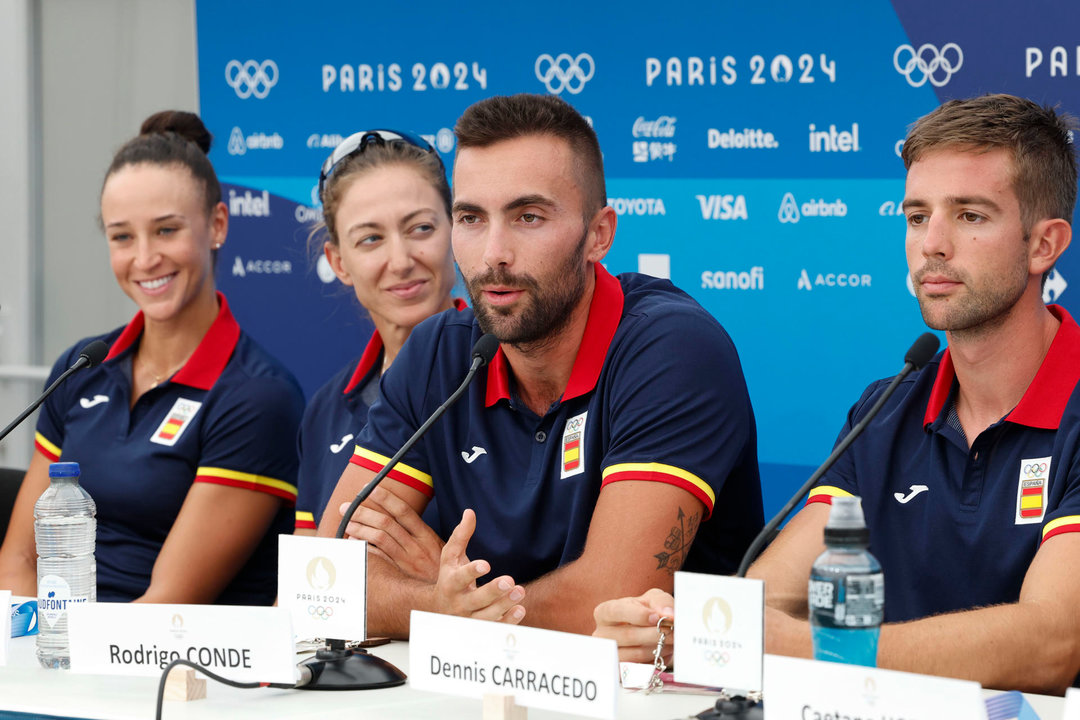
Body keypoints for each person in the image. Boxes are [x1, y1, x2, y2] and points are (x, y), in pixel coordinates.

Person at [594, 93, 1080, 694]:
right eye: (917, 216)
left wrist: (801, 647)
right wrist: (668, 627)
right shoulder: (886, 409)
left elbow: (1054, 641)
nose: (932, 244)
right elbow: (770, 594)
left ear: (1045, 245)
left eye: (970, 216)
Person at [317, 93, 763, 637]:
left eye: (528, 216)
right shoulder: (438, 353)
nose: (492, 254)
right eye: (471, 218)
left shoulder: (673, 348)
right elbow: (324, 579)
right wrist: (440, 606)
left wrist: (457, 603)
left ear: (599, 234)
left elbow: (607, 601)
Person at [0, 111, 304, 605]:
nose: (144, 259)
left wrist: (61, 668)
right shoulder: (80, 366)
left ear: (217, 225)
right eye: (122, 236)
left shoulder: (257, 396)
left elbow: (165, 606)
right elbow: (18, 561)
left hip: (160, 666)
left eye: (165, 231)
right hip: (56, 652)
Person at [294, 130, 463, 568]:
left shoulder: (516, 371)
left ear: (457, 228)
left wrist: (439, 588)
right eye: (371, 239)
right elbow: (305, 585)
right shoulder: (327, 409)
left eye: (421, 228)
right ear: (338, 262)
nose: (402, 259)